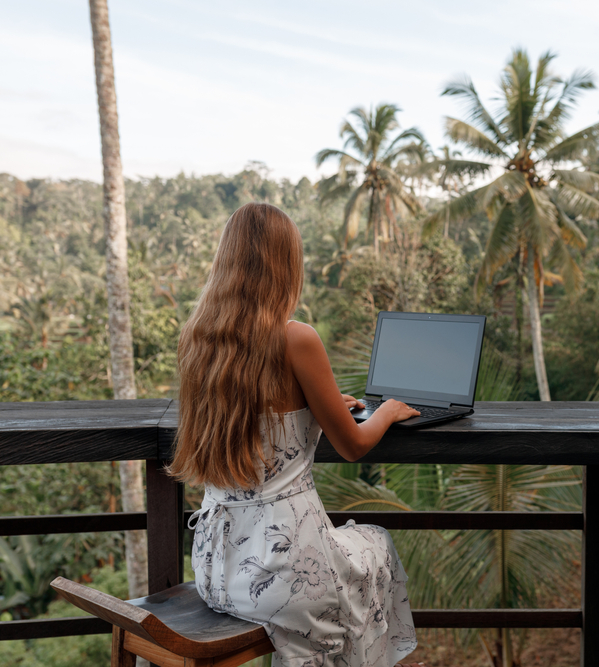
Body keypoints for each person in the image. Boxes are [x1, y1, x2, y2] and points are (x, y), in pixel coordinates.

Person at [170, 202, 424, 667]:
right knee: (376, 542)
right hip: (283, 575)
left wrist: (318, 406)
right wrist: (385, 412)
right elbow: (353, 445)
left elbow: (263, 412)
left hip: (215, 571)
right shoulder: (296, 338)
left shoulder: (198, 338)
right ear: (287, 264)